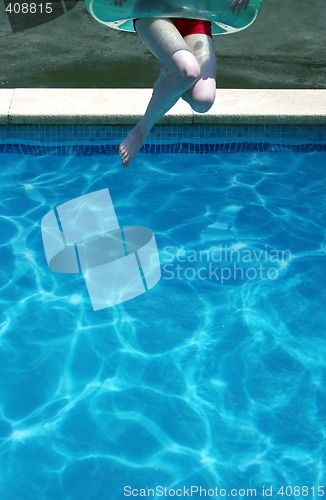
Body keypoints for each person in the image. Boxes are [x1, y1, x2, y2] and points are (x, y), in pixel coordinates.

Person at [115, 0, 250, 167]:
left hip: (195, 15)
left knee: (203, 100)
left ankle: (171, 72)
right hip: (152, 10)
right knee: (188, 70)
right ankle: (141, 131)